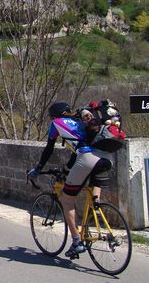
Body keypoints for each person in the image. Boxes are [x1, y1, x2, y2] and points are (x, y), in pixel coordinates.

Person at [27, 102, 113, 259]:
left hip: (87, 159)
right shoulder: (81, 121)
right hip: (106, 159)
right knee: (93, 199)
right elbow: (77, 150)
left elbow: (49, 149)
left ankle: (76, 242)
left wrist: (38, 168)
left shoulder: (56, 124)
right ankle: (95, 216)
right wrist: (66, 169)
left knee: (67, 200)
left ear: (54, 116)